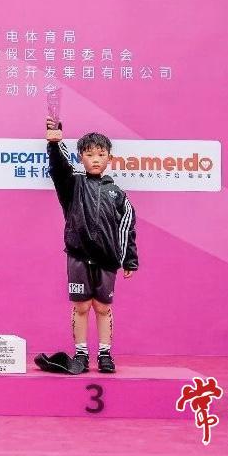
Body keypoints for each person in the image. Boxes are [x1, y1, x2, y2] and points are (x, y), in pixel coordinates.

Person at [44, 119, 138, 373]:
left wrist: (129, 259)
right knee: (82, 306)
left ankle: (105, 354)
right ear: (81, 157)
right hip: (78, 256)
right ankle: (81, 354)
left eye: (101, 154)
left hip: (108, 259)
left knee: (103, 308)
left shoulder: (118, 194)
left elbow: (127, 227)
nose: (95, 159)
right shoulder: (72, 184)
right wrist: (54, 143)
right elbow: (59, 166)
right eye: (89, 154)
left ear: (109, 158)